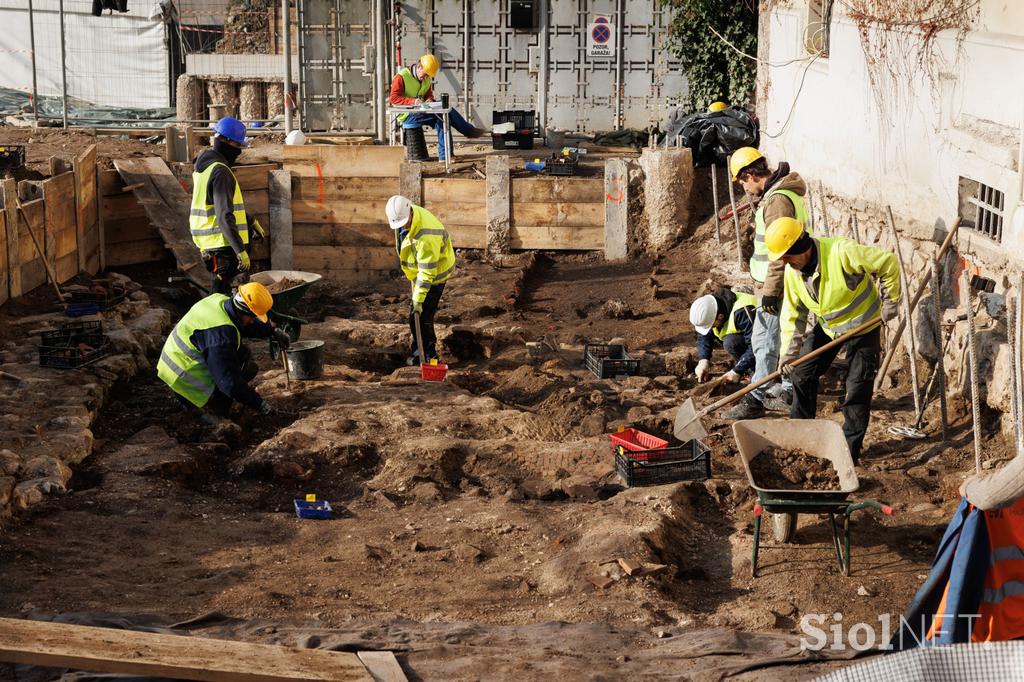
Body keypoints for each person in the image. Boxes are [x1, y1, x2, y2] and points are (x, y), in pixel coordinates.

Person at [767, 217, 900, 464]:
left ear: (801, 246)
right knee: (801, 374)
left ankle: (849, 452)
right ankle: (801, 436)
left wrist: (890, 299)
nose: (785, 262)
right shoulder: (793, 273)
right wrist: (789, 354)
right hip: (829, 329)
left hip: (863, 327)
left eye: (787, 256)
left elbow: (887, 262)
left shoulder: (842, 252)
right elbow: (793, 315)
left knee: (857, 388)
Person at [723, 147, 809, 419]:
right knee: (779, 339)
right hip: (777, 281)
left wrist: (771, 292)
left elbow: (780, 251)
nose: (744, 188)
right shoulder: (776, 196)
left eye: (742, 182)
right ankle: (782, 390)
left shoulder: (777, 201)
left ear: (750, 174)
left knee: (765, 342)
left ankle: (756, 398)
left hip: (778, 284)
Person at [157, 282, 290, 420]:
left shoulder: (220, 300)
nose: (252, 321)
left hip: (179, 357)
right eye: (252, 317)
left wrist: (273, 331)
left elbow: (246, 324)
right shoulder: (220, 337)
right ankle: (210, 408)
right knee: (228, 388)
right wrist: (259, 404)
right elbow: (229, 383)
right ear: (242, 310)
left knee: (242, 354)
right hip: (183, 376)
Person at [189, 117, 267, 295]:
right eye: (238, 146)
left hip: (209, 243)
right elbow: (224, 214)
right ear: (226, 141)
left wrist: (250, 221)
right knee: (221, 292)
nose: (238, 152)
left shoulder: (204, 166)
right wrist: (240, 250)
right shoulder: (221, 171)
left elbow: (220, 205)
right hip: (222, 244)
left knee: (220, 287)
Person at [384, 195, 456, 364]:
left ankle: (428, 357)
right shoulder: (405, 214)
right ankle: (420, 352)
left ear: (409, 211)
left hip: (434, 274)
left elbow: (427, 274)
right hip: (421, 271)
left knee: (421, 316)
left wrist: (417, 299)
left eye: (404, 223)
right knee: (417, 315)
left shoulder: (426, 236)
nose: (402, 226)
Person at [390, 53, 485, 162]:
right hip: (406, 114)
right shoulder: (401, 77)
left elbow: (428, 94)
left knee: (444, 116)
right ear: (419, 66)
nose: (426, 77)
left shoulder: (426, 78)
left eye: (428, 76)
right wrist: (413, 101)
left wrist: (430, 99)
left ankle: (445, 156)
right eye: (425, 74)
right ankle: (468, 131)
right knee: (444, 114)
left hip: (419, 110)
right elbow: (393, 98)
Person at [689, 288, 756, 385]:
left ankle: (756, 370)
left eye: (712, 325)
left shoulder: (743, 311)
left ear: (720, 316)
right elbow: (704, 335)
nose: (711, 328)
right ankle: (746, 368)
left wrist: (737, 370)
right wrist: (703, 360)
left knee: (731, 342)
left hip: (770, 343)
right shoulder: (711, 309)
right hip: (748, 340)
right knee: (729, 341)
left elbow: (756, 345)